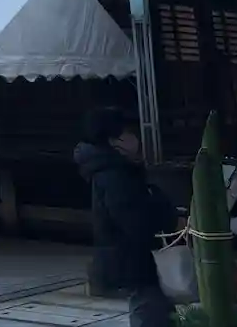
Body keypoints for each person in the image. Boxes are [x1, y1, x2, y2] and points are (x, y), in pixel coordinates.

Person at [74, 107, 179, 327]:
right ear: (114, 140)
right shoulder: (115, 175)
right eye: (130, 133)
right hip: (133, 257)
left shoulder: (113, 170)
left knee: (155, 309)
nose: (136, 139)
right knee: (149, 310)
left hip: (130, 256)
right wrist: (166, 221)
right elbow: (134, 220)